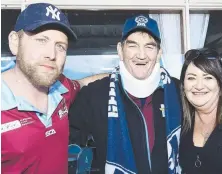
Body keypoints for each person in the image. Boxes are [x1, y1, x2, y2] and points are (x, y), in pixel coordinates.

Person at [1, 3, 107, 173]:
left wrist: (120, 76)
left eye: (60, 46)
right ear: (15, 42)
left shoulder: (61, 89)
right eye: (41, 40)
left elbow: (83, 83)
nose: (51, 54)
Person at [69, 15, 182, 174]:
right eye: (133, 45)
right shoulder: (94, 94)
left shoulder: (178, 91)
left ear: (159, 53)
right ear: (120, 51)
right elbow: (62, 143)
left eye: (149, 47)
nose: (141, 55)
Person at [179, 48, 222, 174]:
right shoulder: (181, 120)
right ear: (183, 85)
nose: (199, 86)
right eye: (191, 78)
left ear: (220, 83)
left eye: (208, 77)